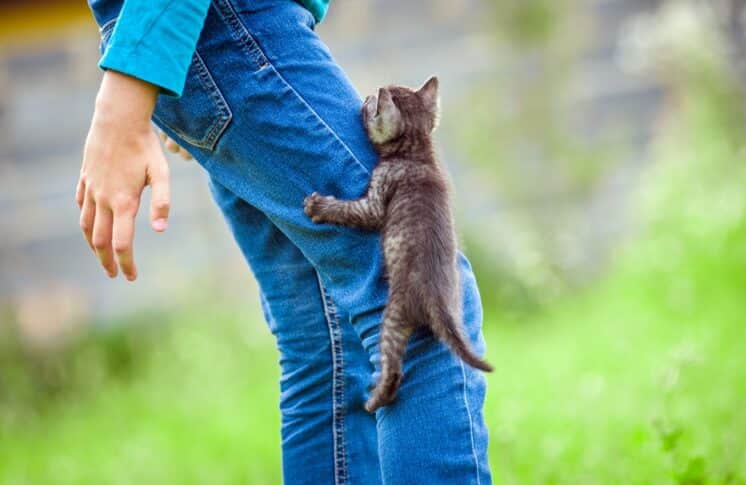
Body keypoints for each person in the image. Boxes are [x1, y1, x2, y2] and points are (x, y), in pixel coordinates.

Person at [79, 0, 491, 483]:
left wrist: (182, 73)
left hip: (204, 40)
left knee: (323, 343)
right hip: (230, 28)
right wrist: (125, 100)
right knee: (426, 308)